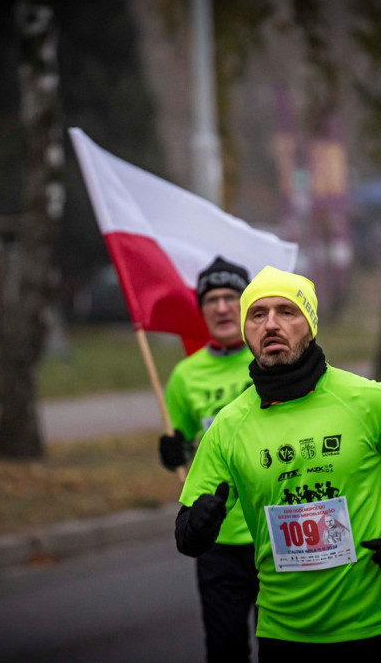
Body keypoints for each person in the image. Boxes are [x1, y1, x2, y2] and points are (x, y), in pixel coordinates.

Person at [175, 266, 381, 661]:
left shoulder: (368, 401)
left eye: (286, 312)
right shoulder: (229, 425)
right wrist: (199, 526)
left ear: (309, 326)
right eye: (258, 315)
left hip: (375, 624)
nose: (271, 323)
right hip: (285, 632)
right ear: (246, 331)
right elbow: (187, 536)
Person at [158, 256, 258, 663]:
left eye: (230, 297)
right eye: (211, 300)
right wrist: (169, 454)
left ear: (247, 304)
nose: (220, 307)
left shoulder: (269, 358)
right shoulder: (185, 375)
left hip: (276, 532)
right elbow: (181, 452)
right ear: (201, 310)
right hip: (217, 538)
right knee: (225, 650)